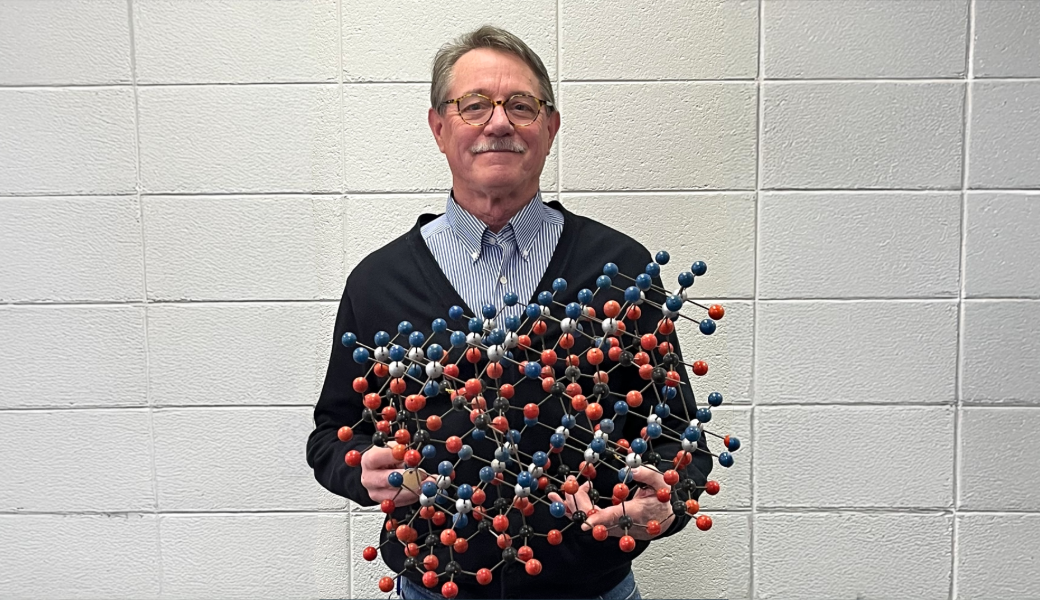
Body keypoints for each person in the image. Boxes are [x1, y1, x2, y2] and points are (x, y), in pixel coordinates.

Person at [307, 25, 713, 600]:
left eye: (521, 106)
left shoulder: (619, 267)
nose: (498, 122)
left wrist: (664, 502)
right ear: (439, 128)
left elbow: (680, 436)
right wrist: (360, 470)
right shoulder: (378, 282)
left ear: (549, 128)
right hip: (433, 588)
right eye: (474, 106)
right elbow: (330, 436)